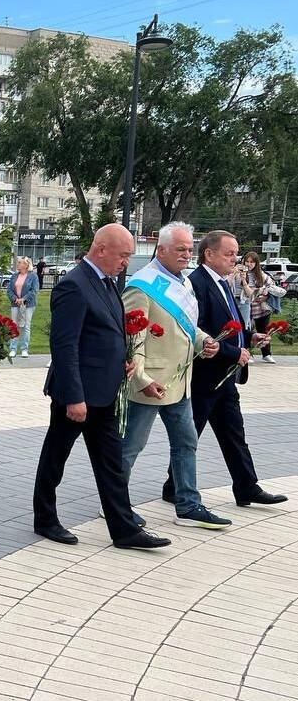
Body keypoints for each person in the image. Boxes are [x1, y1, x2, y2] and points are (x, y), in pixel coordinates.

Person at [32, 224, 172, 549]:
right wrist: (74, 397)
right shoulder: (73, 286)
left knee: (110, 462)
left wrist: (123, 362)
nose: (126, 262)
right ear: (101, 250)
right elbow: (64, 346)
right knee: (56, 457)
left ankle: (124, 530)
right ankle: (45, 519)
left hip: (104, 394)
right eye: (123, 255)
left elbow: (105, 334)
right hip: (77, 395)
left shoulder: (106, 283)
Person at [121, 221, 230, 530]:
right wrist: (141, 380)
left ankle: (189, 505)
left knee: (186, 443)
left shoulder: (183, 283)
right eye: (180, 249)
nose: (186, 254)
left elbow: (187, 328)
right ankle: (114, 503)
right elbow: (132, 340)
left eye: (189, 249)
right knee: (130, 447)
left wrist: (203, 341)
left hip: (180, 383)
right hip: (149, 383)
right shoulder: (142, 286)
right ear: (161, 250)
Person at [169, 231, 288, 508]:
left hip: (225, 378)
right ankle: (173, 486)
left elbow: (229, 325)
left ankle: (247, 488)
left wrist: (250, 337)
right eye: (229, 253)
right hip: (204, 376)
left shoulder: (223, 282)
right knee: (188, 437)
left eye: (236, 253)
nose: (236, 259)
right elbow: (197, 330)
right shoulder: (196, 284)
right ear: (209, 254)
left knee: (234, 434)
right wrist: (234, 352)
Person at [239, 251, 282, 364]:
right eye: (247, 261)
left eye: (252, 262)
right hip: (246, 307)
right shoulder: (241, 273)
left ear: (256, 263)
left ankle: (266, 354)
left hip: (261, 308)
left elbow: (272, 286)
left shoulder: (261, 274)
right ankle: (247, 353)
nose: (249, 264)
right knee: (247, 329)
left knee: (263, 330)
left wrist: (265, 295)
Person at [7, 256, 39, 358]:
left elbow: (34, 290)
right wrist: (15, 299)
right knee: (14, 326)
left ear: (26, 265)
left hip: (28, 305)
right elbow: (9, 289)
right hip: (15, 304)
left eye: (20, 263)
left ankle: (24, 349)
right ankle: (13, 349)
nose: (17, 264)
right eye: (18, 262)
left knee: (26, 326)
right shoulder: (14, 276)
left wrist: (23, 299)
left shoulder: (33, 276)